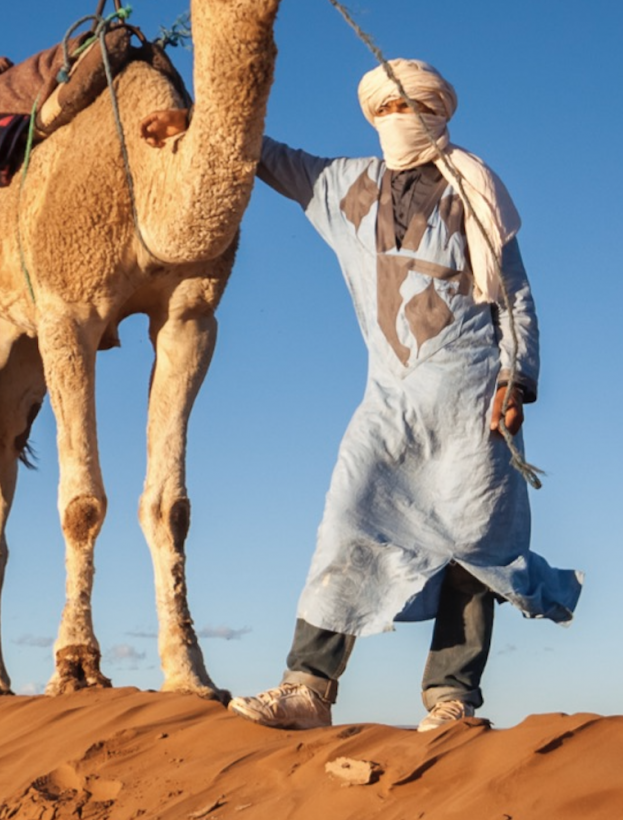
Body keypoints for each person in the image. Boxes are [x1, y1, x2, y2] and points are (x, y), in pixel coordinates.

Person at [229, 59, 582, 733]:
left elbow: (517, 298)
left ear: (437, 113)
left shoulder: (472, 191)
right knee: (347, 517)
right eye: (386, 109)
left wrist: (518, 380)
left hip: (474, 395)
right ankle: (308, 687)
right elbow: (262, 154)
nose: (397, 119)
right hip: (389, 399)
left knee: (475, 545)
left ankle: (451, 700)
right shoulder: (343, 185)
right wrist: (195, 116)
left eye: (408, 107)